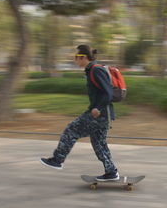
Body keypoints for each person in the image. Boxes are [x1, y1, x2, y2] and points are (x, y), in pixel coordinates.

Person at [40, 44, 119, 181]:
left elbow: (109, 92)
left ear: (83, 57)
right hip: (103, 115)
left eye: (76, 57)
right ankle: (111, 172)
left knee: (71, 130)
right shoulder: (91, 70)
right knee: (99, 144)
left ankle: (58, 160)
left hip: (99, 114)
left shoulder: (95, 70)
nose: (75, 60)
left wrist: (98, 108)